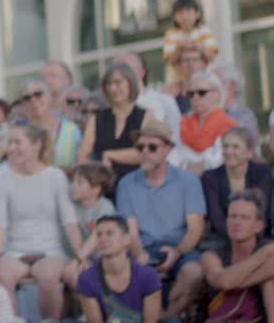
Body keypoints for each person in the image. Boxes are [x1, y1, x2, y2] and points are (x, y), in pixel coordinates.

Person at [0, 122, 83, 321]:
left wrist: (81, 257)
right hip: (15, 250)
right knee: (3, 276)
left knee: (48, 277)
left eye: (17, 142)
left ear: (36, 145)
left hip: (50, 250)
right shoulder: (4, 177)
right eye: (9, 142)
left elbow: (69, 222)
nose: (10, 148)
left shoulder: (55, 177)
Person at [115, 119, 206, 320]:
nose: (145, 151)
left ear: (168, 149)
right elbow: (130, 231)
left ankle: (164, 318)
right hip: (143, 249)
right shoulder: (127, 184)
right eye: (140, 147)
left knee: (194, 274)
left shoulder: (188, 181)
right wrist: (141, 255)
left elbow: (195, 229)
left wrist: (178, 252)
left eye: (152, 147)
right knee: (126, 272)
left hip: (181, 249)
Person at [201, 190, 274, 320]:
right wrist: (264, 254)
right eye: (232, 216)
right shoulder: (211, 255)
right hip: (223, 319)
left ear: (258, 226)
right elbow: (223, 281)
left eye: (244, 218)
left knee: (270, 280)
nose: (237, 222)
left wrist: (237, 281)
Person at [76, 215, 163, 323]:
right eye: (99, 235)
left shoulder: (148, 276)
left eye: (109, 233)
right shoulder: (86, 279)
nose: (103, 239)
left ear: (126, 239)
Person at [201, 127, 274, 248]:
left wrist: (248, 239)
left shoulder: (262, 172)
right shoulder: (210, 177)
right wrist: (238, 238)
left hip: (258, 237)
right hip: (222, 239)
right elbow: (216, 218)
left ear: (249, 152)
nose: (229, 151)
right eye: (225, 146)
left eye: (235, 147)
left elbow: (263, 212)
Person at [80, 62, 150, 186]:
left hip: (138, 185)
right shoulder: (96, 119)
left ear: (130, 83)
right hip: (102, 188)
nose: (112, 88)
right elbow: (83, 157)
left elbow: (146, 153)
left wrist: (109, 155)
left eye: (118, 82)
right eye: (108, 84)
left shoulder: (146, 115)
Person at [171, 69, 237, 174]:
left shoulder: (229, 127)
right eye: (191, 94)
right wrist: (189, 165)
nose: (195, 98)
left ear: (218, 94)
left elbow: (219, 161)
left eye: (201, 92)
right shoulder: (182, 124)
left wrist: (187, 164)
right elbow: (171, 159)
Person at [62, 163, 116, 290]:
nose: (72, 186)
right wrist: (80, 259)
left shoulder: (105, 208)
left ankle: (93, 308)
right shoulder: (73, 206)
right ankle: (82, 308)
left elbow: (96, 237)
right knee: (71, 275)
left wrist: (79, 259)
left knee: (80, 276)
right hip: (81, 256)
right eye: (72, 181)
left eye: (79, 183)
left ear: (95, 189)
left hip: (103, 259)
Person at [115, 51, 182, 140]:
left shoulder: (165, 101)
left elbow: (177, 136)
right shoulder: (109, 107)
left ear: (142, 73)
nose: (122, 74)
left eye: (127, 69)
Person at [20, 78, 82, 170]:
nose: (33, 100)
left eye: (38, 94)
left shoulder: (71, 129)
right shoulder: (17, 132)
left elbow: (80, 165)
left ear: (50, 96)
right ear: (23, 104)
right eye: (27, 98)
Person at [163, 0, 218, 93]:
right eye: (180, 13)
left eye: (188, 12)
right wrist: (179, 49)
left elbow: (212, 56)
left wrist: (199, 47)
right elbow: (170, 60)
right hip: (179, 82)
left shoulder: (204, 31)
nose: (185, 17)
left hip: (203, 79)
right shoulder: (171, 34)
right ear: (174, 17)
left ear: (197, 14)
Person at [213, 61, 260, 138]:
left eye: (216, 83)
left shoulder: (245, 116)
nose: (210, 87)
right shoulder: (205, 113)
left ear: (232, 86)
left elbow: (248, 146)